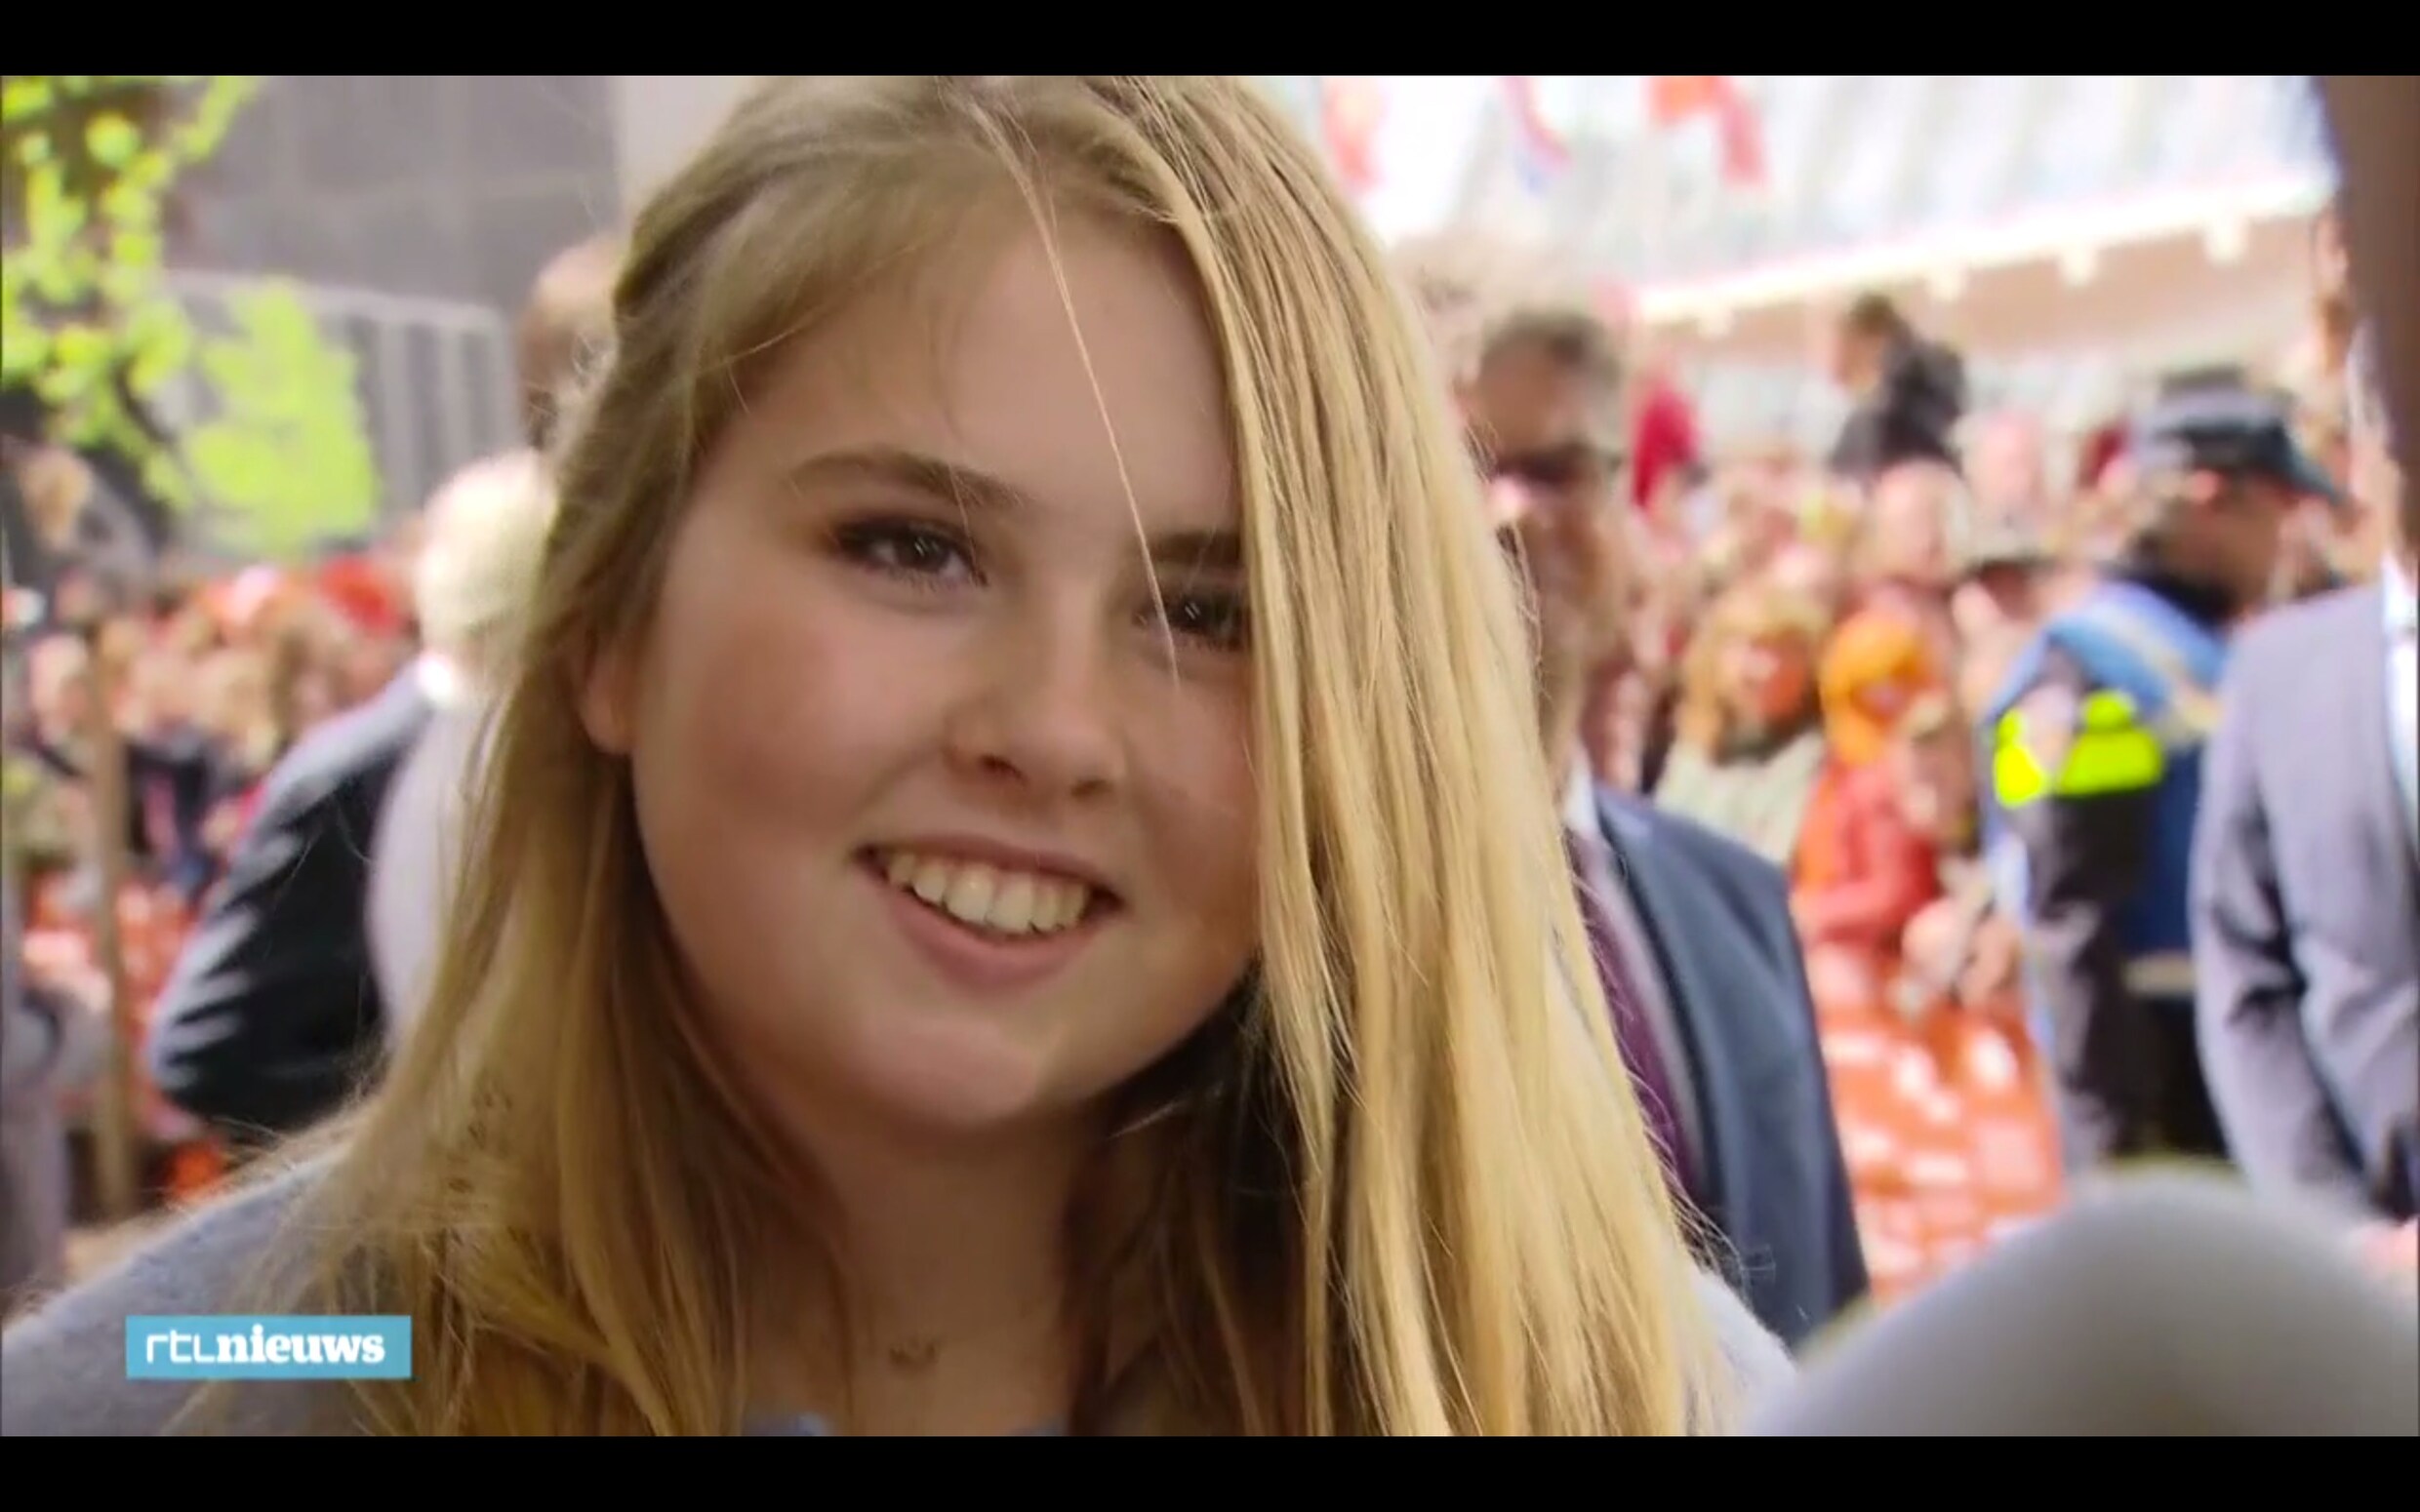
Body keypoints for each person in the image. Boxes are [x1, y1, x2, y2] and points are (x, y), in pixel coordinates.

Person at [2, 76, 1785, 1437]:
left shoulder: (1612, 1385)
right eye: (913, 550)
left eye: (1208, 612)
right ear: (611, 619)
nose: (1052, 729)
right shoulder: (238, 1361)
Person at [1398, 232, 1868, 1349]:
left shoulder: (1734, 905)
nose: (1513, 510)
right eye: (1458, 465)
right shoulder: (1277, 924)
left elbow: (1839, 1336)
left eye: (1562, 469)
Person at [1978, 381, 2338, 1175]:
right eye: (2277, 511)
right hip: (2162, 1092)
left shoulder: (2219, 650)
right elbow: (2068, 921)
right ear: (2210, 500)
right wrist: (2116, 1152)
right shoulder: (2089, 669)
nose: (2286, 540)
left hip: (2252, 1079)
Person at [2192, 323, 2417, 1246]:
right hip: (2375, 1268)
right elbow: (2245, 975)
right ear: (2357, 460)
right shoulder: (2279, 676)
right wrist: (2341, 1234)